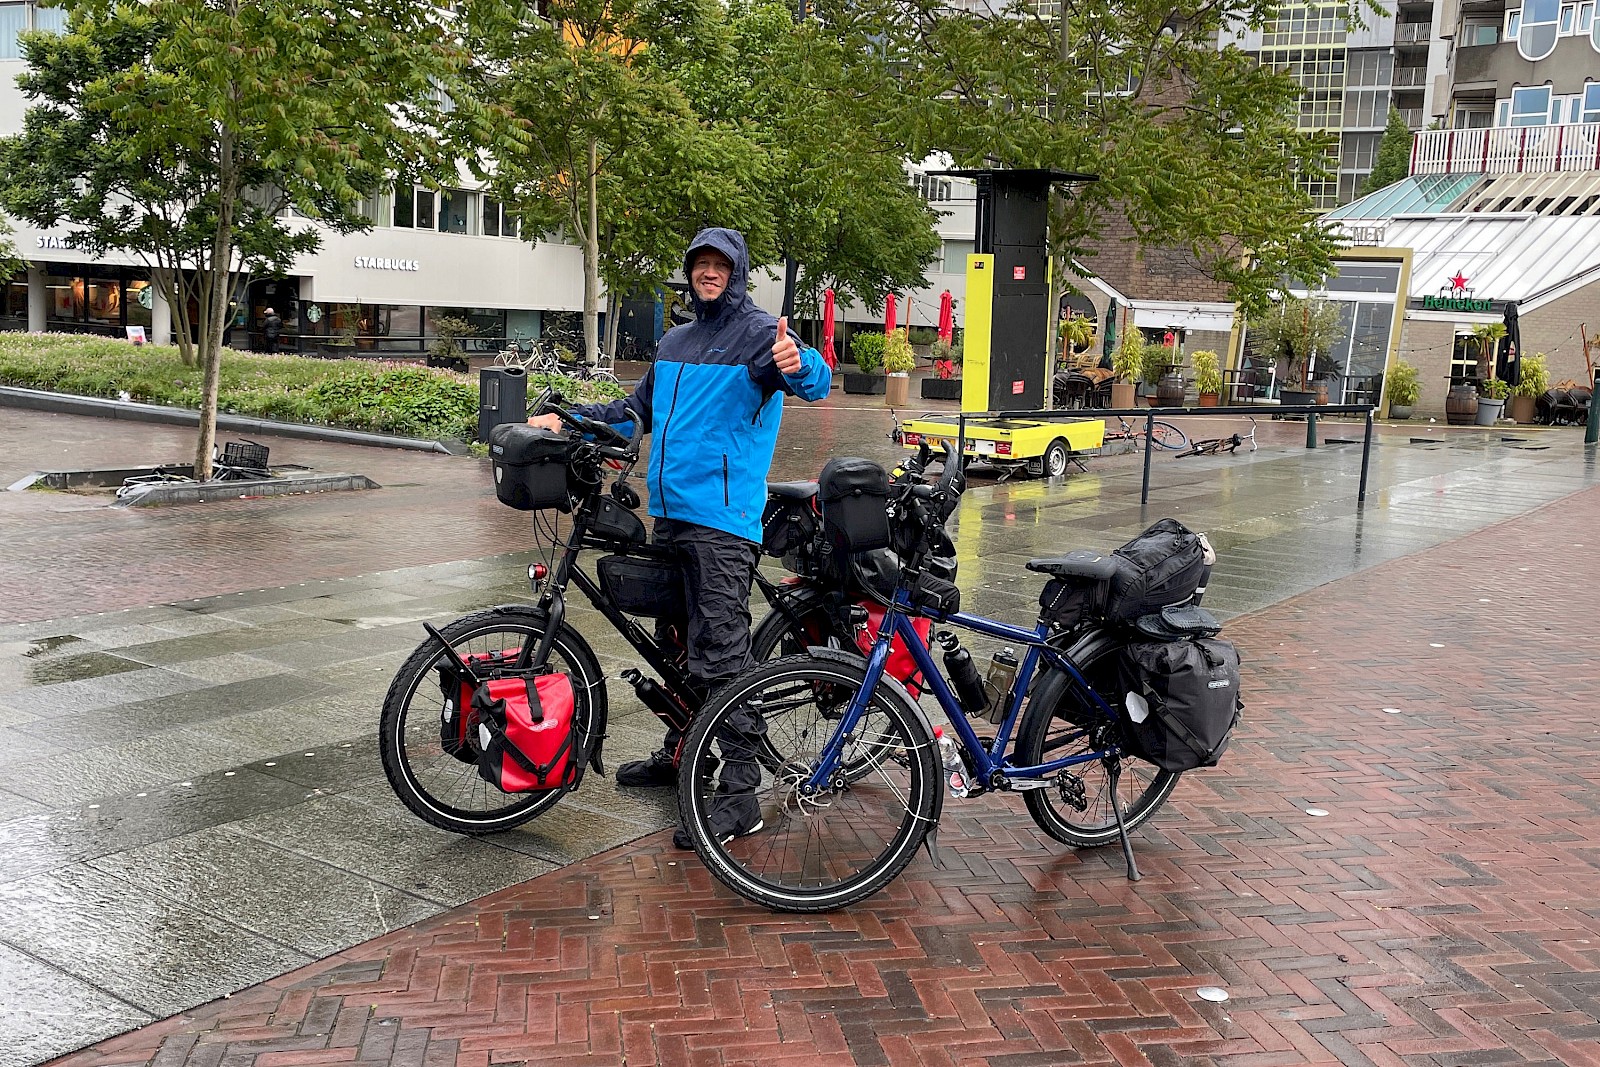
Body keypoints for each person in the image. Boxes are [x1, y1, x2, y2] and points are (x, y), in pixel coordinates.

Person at [528, 227, 831, 846]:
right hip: (671, 514)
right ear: (690, 271)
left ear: (736, 272)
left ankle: (740, 794)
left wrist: (800, 364)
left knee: (721, 653)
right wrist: (571, 418)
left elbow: (814, 380)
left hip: (722, 521)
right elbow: (634, 412)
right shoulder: (674, 341)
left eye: (720, 264)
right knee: (673, 642)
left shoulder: (759, 334)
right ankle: (683, 751)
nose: (709, 272)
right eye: (700, 263)